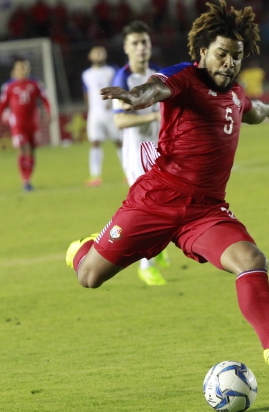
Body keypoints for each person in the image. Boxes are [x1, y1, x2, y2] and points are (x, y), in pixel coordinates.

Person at [66, 0, 269, 369]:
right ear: (204, 52)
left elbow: (253, 112)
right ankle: (82, 249)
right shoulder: (185, 78)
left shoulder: (236, 95)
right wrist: (134, 97)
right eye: (222, 54)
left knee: (252, 259)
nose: (230, 63)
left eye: (236, 56)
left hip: (205, 210)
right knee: (89, 277)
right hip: (156, 199)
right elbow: (155, 90)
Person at [111, 21, 170, 286]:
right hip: (136, 152)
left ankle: (159, 246)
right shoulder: (121, 79)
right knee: (149, 206)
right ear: (126, 48)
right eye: (135, 43)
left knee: (168, 200)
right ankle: (146, 266)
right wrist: (152, 116)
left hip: (160, 148)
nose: (141, 47)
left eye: (144, 42)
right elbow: (119, 122)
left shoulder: (157, 74)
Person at [0, 57, 52, 192]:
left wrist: (48, 113)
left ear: (27, 70)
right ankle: (25, 180)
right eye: (19, 68)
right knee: (23, 148)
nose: (21, 71)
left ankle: (28, 179)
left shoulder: (35, 83)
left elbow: (45, 99)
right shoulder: (9, 86)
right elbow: (2, 104)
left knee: (31, 150)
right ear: (14, 71)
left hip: (33, 122)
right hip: (18, 123)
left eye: (24, 68)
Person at [81, 46, 123, 187]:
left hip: (111, 112)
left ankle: (128, 171)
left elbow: (119, 86)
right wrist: (89, 109)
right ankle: (95, 175)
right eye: (96, 52)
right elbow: (86, 93)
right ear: (90, 56)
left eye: (101, 52)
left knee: (120, 141)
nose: (99, 54)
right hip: (95, 114)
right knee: (94, 143)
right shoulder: (86, 74)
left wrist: (113, 101)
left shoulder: (112, 70)